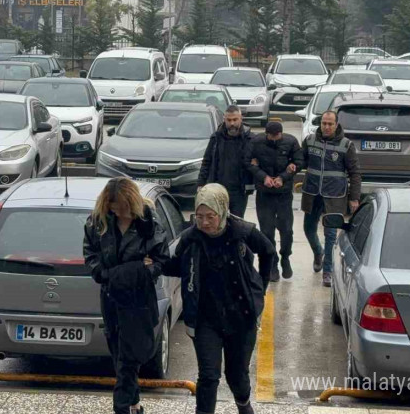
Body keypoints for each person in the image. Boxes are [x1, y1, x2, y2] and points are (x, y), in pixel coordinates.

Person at [163, 183, 276, 414]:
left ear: (222, 211)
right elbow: (177, 267)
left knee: (236, 373)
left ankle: (244, 404)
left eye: (210, 216)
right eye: (199, 216)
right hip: (206, 319)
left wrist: (259, 288)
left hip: (241, 316)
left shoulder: (242, 231)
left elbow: (268, 252)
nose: (204, 222)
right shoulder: (191, 238)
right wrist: (153, 263)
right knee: (208, 374)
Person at [83, 178, 170, 414]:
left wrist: (145, 271)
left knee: (128, 360)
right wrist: (107, 273)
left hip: (139, 298)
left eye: (123, 206)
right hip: (111, 297)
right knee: (119, 355)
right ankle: (135, 406)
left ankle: (121, 408)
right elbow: (90, 254)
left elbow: (161, 258)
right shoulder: (97, 222)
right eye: (114, 206)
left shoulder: (148, 221)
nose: (119, 211)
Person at [300, 111, 361, 287]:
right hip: (312, 193)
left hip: (334, 196)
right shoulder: (310, 140)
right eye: (324, 123)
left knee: (330, 234)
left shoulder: (346, 145)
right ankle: (318, 253)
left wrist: (354, 197)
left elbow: (355, 173)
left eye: (330, 124)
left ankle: (327, 272)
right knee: (308, 228)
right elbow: (300, 161)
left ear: (336, 125)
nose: (326, 127)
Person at [246, 121, 303, 282]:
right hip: (264, 194)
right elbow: (247, 162)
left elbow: (299, 162)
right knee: (267, 232)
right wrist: (262, 176)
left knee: (287, 230)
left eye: (277, 136)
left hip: (283, 194)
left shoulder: (290, 141)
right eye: (271, 136)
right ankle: (273, 264)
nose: (274, 139)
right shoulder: (257, 142)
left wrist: (284, 177)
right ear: (267, 134)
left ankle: (285, 256)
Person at [198, 106, 254, 217]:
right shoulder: (216, 138)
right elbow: (207, 161)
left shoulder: (250, 139)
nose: (232, 123)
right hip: (217, 189)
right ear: (224, 119)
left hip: (239, 190)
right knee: (217, 220)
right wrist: (200, 184)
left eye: (235, 120)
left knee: (237, 221)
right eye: (229, 120)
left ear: (241, 119)